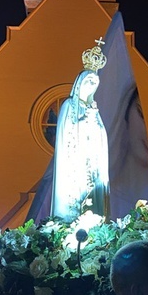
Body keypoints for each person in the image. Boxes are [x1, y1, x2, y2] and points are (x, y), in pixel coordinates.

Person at [51, 41, 109, 221]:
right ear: (80, 83)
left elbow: (101, 138)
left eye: (95, 83)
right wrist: (86, 121)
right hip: (75, 165)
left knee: (92, 203)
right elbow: (67, 132)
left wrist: (95, 125)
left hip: (92, 165)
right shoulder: (69, 105)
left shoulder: (94, 111)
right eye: (88, 81)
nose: (91, 85)